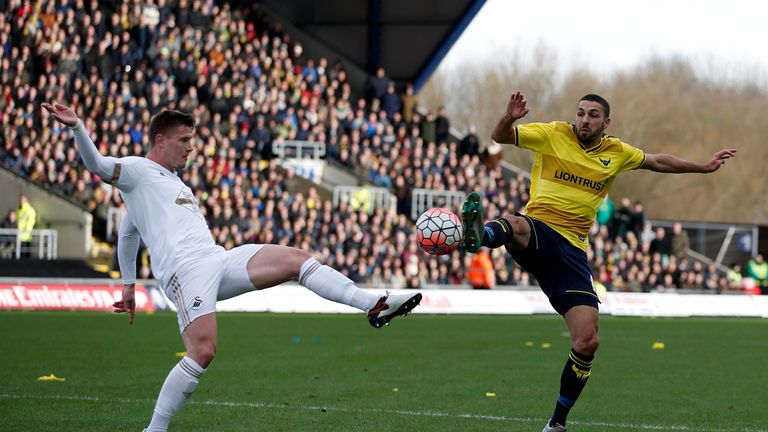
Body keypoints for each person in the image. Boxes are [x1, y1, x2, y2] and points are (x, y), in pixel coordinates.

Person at [42, 102, 422, 432]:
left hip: (217, 260)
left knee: (296, 259)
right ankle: (155, 428)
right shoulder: (138, 170)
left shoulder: (166, 183)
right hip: (185, 272)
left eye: (192, 139)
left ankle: (373, 303)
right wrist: (78, 127)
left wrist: (127, 283)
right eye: (184, 140)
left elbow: (128, 234)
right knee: (203, 351)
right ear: (161, 140)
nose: (192, 147)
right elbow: (97, 164)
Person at [461, 91, 736, 432]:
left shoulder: (617, 152)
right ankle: (477, 237)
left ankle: (556, 424)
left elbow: (658, 161)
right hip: (539, 229)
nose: (584, 120)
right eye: (580, 113)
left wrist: (703, 167)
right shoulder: (553, 133)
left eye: (592, 115)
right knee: (516, 223)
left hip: (572, 252)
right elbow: (500, 137)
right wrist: (509, 117)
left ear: (606, 123)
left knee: (588, 339)